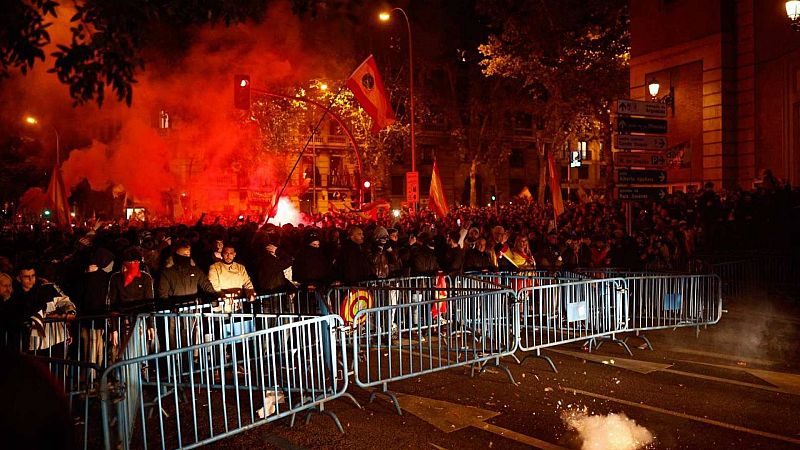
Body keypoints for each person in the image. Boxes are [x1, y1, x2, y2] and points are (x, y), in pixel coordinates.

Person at [108, 247, 155, 358]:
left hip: (140, 321)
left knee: (142, 351)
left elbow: (149, 303)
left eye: (136, 261)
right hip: (123, 321)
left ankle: (143, 371)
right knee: (125, 352)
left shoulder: (145, 278)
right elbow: (112, 304)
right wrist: (114, 329)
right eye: (130, 262)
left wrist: (151, 325)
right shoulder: (116, 278)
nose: (133, 264)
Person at [207, 244, 255, 313]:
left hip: (237, 305)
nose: (228, 256)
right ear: (222, 254)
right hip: (221, 306)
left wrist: (250, 293)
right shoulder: (214, 267)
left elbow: (247, 282)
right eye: (226, 253)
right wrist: (223, 296)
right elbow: (213, 286)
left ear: (234, 254)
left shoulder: (240, 267)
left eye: (231, 253)